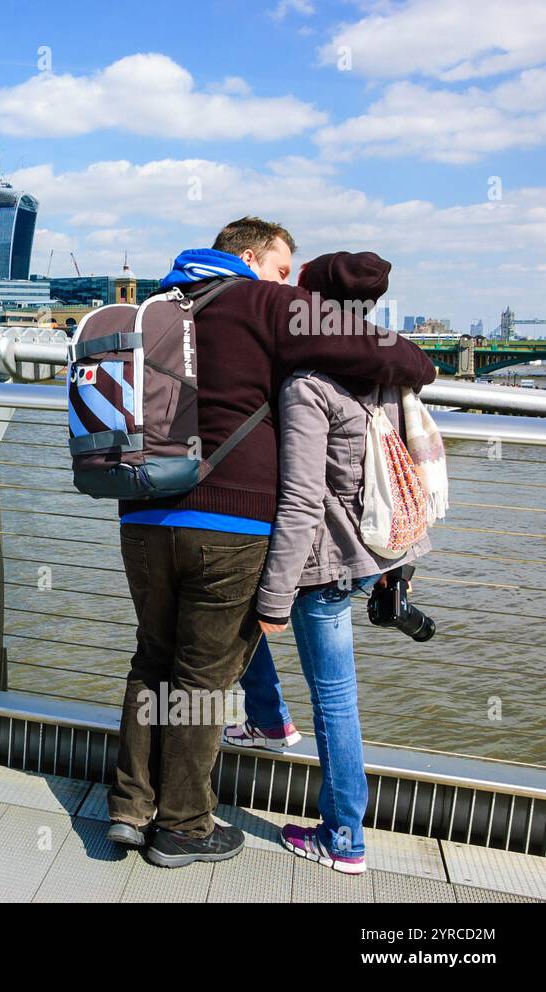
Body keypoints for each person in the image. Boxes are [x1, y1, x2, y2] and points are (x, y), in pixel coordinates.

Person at [106, 218, 436, 869]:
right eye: (285, 270)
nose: (292, 283)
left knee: (152, 660)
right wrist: (416, 361)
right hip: (228, 525)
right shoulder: (265, 301)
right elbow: (397, 357)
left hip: (140, 518)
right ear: (253, 258)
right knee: (202, 678)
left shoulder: (153, 307)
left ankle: (128, 807)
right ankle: (185, 827)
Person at [227, 250, 433, 876]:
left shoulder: (307, 385)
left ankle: (344, 836)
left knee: (262, 635)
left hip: (316, 560)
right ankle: (269, 722)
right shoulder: (386, 371)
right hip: (364, 550)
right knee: (335, 693)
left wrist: (273, 599)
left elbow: (299, 498)